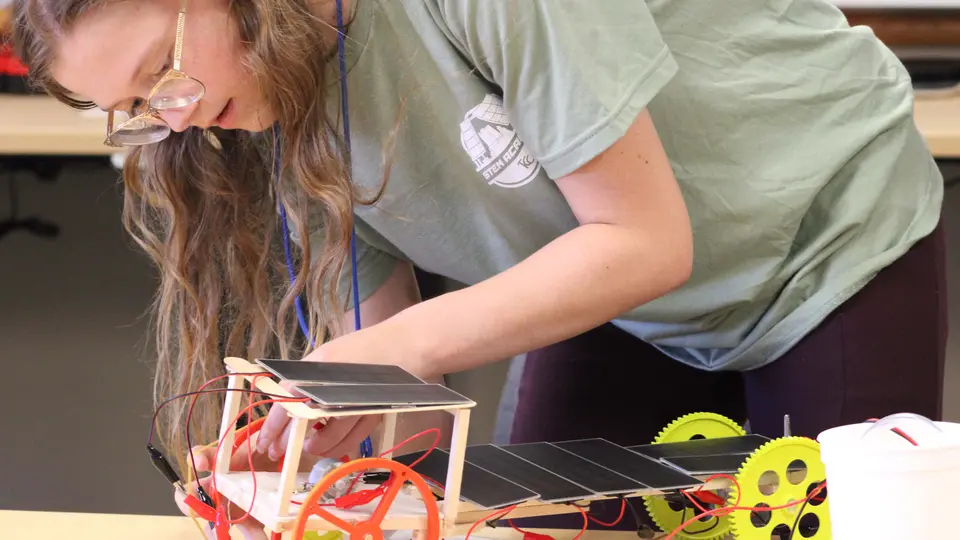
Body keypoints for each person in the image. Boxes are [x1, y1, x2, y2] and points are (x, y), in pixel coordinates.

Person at [15, 0, 946, 535]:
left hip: (818, 239)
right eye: (138, 105)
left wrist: (393, 351)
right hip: (615, 291)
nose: (174, 118)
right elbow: (386, 372)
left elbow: (647, 241)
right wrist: (328, 467)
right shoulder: (260, 86)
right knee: (523, 525)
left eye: (162, 74)